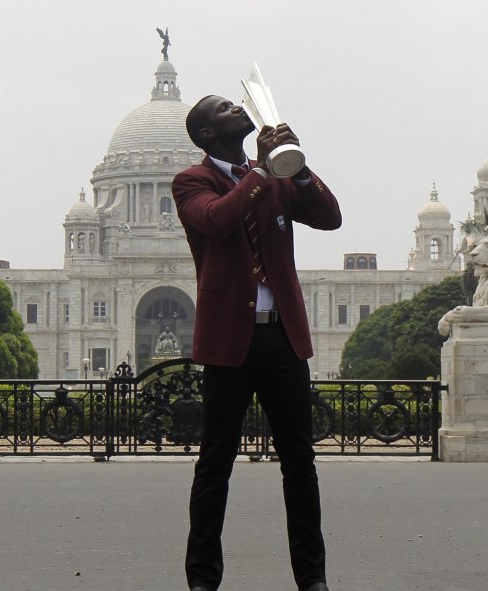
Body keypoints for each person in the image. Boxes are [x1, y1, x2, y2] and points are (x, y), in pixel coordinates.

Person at [172, 95, 341, 591]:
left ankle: (312, 578)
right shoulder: (191, 181)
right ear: (206, 134)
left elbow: (330, 218)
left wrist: (299, 170)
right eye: (225, 108)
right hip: (229, 340)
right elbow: (218, 219)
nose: (238, 107)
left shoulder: (273, 175)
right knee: (215, 462)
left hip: (283, 336)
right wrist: (264, 174)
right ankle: (203, 578)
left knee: (300, 463)